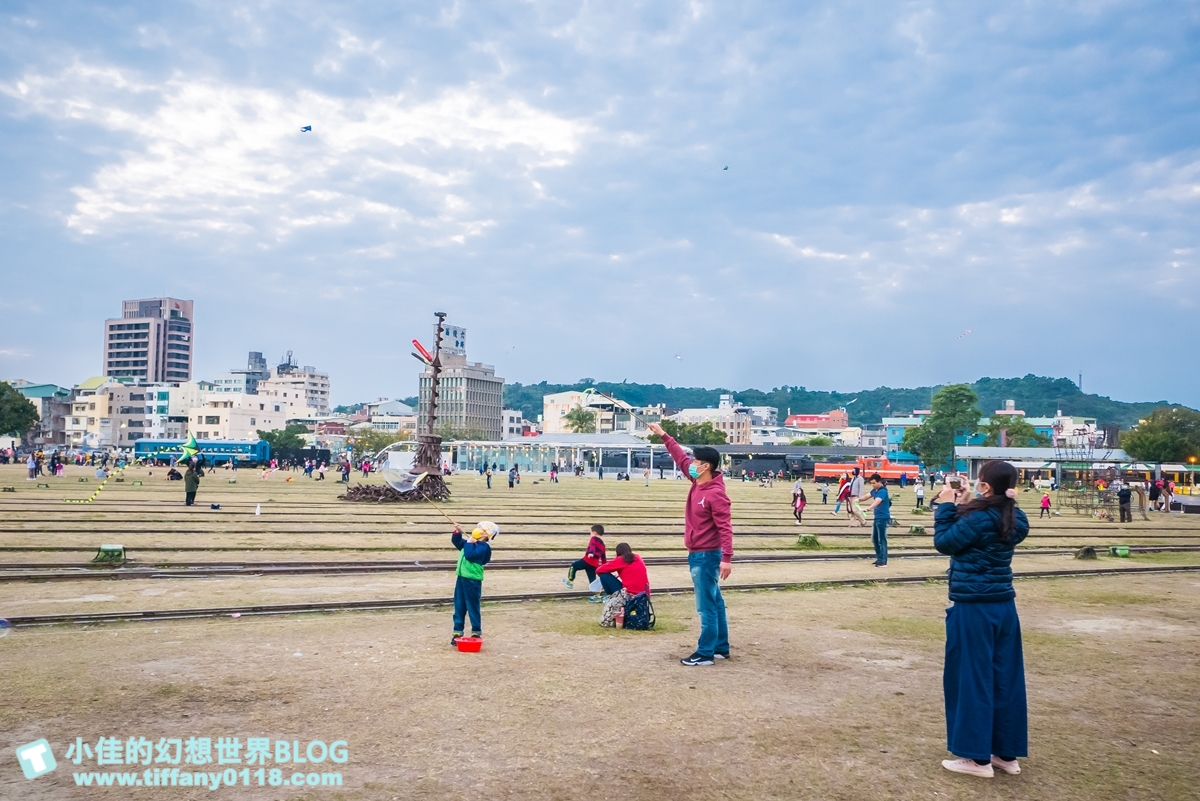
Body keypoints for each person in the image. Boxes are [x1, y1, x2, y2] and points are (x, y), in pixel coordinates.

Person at [933, 459, 1029, 778]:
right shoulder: (1016, 517)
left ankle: (976, 758)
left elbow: (945, 542)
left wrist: (946, 506)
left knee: (971, 678)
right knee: (1005, 679)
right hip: (1004, 606)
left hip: (973, 606)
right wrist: (966, 503)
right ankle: (1005, 753)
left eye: (979, 482)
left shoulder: (980, 518)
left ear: (985, 486)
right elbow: (988, 520)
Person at [647, 422, 733, 666]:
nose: (691, 464)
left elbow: (725, 527)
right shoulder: (698, 482)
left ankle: (705, 653)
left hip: (706, 556)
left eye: (696, 462)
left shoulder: (715, 493)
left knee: (705, 605)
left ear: (706, 466)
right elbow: (679, 457)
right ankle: (720, 647)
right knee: (715, 601)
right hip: (700, 554)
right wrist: (663, 435)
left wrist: (726, 558)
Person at [450, 521, 496, 646]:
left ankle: (476, 631)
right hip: (461, 578)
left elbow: (470, 555)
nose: (476, 529)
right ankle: (457, 632)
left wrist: (470, 542)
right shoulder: (471, 543)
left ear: (486, 534)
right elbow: (458, 543)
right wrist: (457, 533)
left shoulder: (483, 547)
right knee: (459, 605)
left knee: (472, 606)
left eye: (480, 528)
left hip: (472, 580)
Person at [562, 524, 608, 601]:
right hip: (594, 564)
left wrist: (591, 553)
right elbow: (603, 557)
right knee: (592, 580)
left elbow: (592, 546)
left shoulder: (594, 538)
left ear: (594, 532)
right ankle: (596, 596)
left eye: (590, 532)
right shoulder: (603, 545)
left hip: (587, 560)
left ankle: (570, 581)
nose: (590, 534)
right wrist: (605, 566)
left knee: (574, 565)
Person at [865, 474, 891, 566]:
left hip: (883, 518)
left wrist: (869, 508)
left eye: (874, 483)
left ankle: (883, 561)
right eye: (871, 483)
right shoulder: (874, 490)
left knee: (882, 540)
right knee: (875, 539)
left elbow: (877, 501)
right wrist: (858, 500)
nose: (872, 485)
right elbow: (867, 496)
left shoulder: (882, 491)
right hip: (877, 518)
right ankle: (879, 558)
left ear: (879, 482)